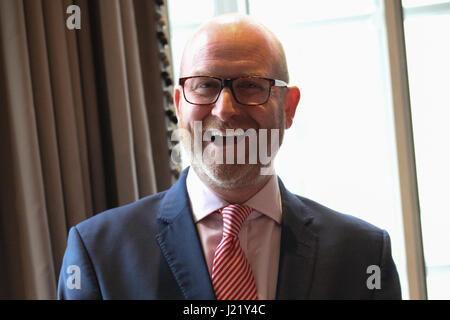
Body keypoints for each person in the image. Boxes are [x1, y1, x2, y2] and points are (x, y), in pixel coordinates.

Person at [58, 14, 401, 300]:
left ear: (289, 107)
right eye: (205, 85)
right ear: (179, 105)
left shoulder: (364, 256)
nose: (224, 110)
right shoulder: (99, 254)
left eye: (251, 85)